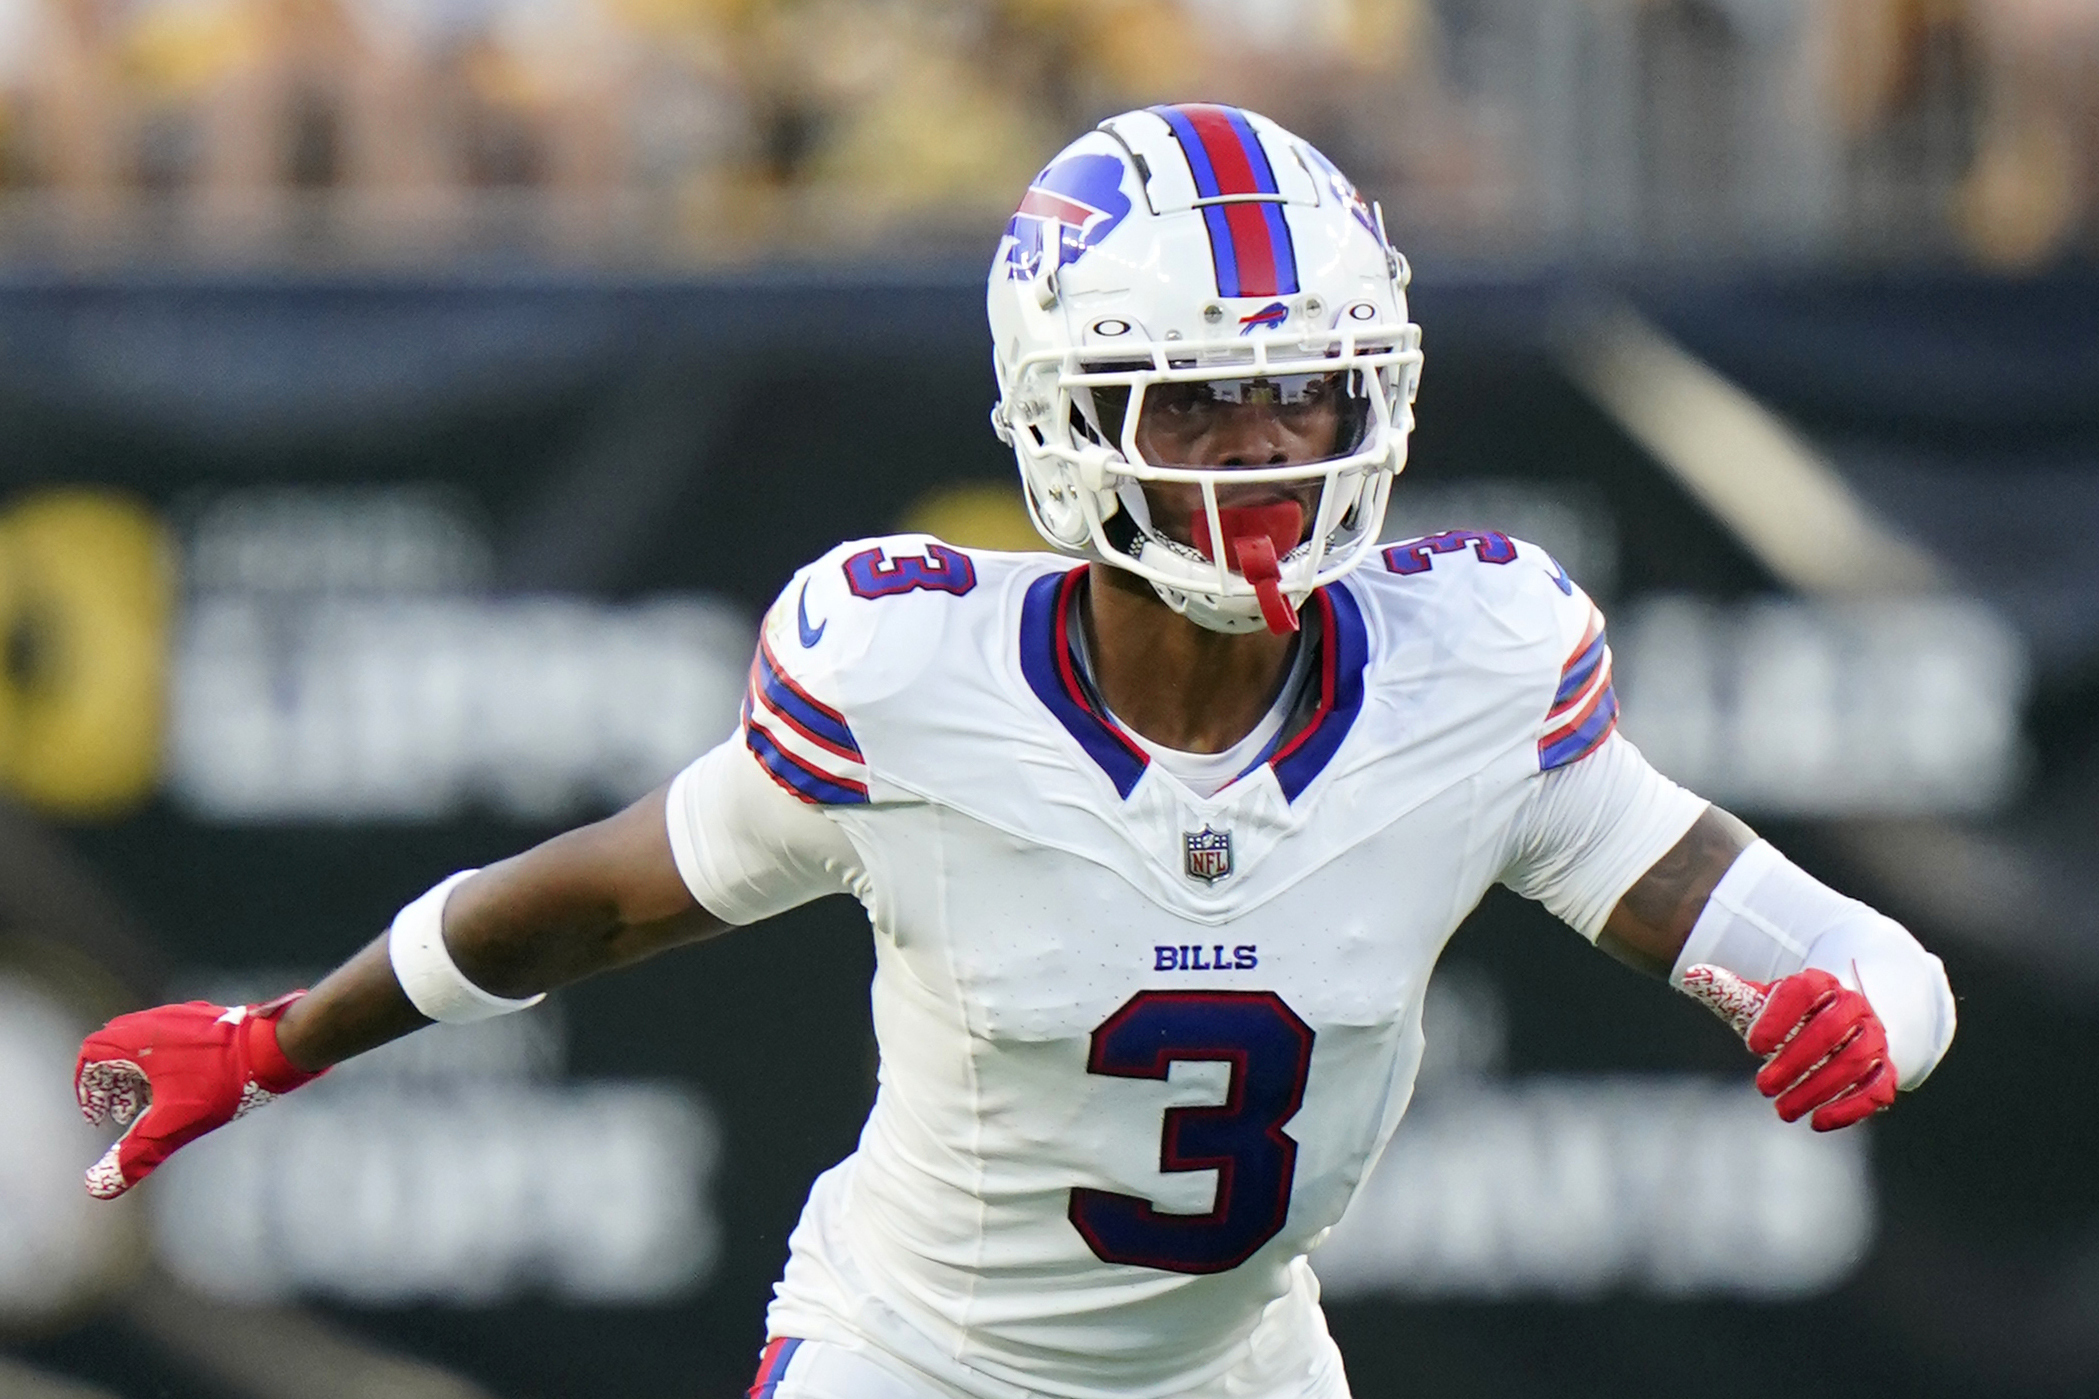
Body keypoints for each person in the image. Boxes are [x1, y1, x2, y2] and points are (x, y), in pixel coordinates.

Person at [75, 104, 1956, 1399]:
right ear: (1073, 417)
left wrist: (1877, 1007)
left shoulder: (1474, 670)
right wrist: (275, 1040)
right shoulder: (910, 679)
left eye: (1308, 387)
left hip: (1237, 1365)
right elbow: (592, 905)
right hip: (919, 1355)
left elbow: (1849, 949)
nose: (1272, 448)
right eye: (1207, 401)